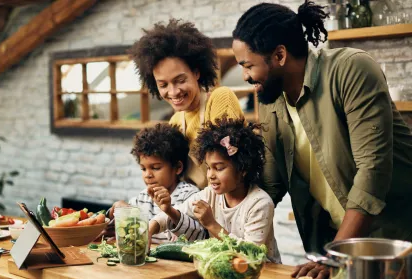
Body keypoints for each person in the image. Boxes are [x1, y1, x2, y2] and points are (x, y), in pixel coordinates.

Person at [231, 1, 412, 278]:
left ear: (279, 55)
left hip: (396, 240)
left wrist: (334, 256)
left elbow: (372, 173)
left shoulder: (351, 70)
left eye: (247, 65)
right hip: (338, 247)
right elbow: (270, 184)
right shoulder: (271, 99)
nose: (245, 76)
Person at [129, 19, 244, 189]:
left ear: (196, 72)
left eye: (180, 80)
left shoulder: (220, 98)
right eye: (163, 85)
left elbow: (228, 164)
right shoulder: (175, 121)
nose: (174, 92)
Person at [148, 116, 281, 263]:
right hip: (226, 270)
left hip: (263, 272)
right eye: (209, 167)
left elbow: (250, 254)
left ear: (243, 168)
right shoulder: (210, 194)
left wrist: (212, 224)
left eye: (219, 168)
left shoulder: (259, 203)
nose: (211, 175)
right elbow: (177, 211)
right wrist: (149, 230)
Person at [107, 123, 200, 243]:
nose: (148, 175)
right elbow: (122, 226)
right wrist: (114, 210)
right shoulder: (143, 197)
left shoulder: (190, 195)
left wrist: (170, 212)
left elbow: (197, 234)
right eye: (143, 169)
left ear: (178, 167)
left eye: (156, 168)